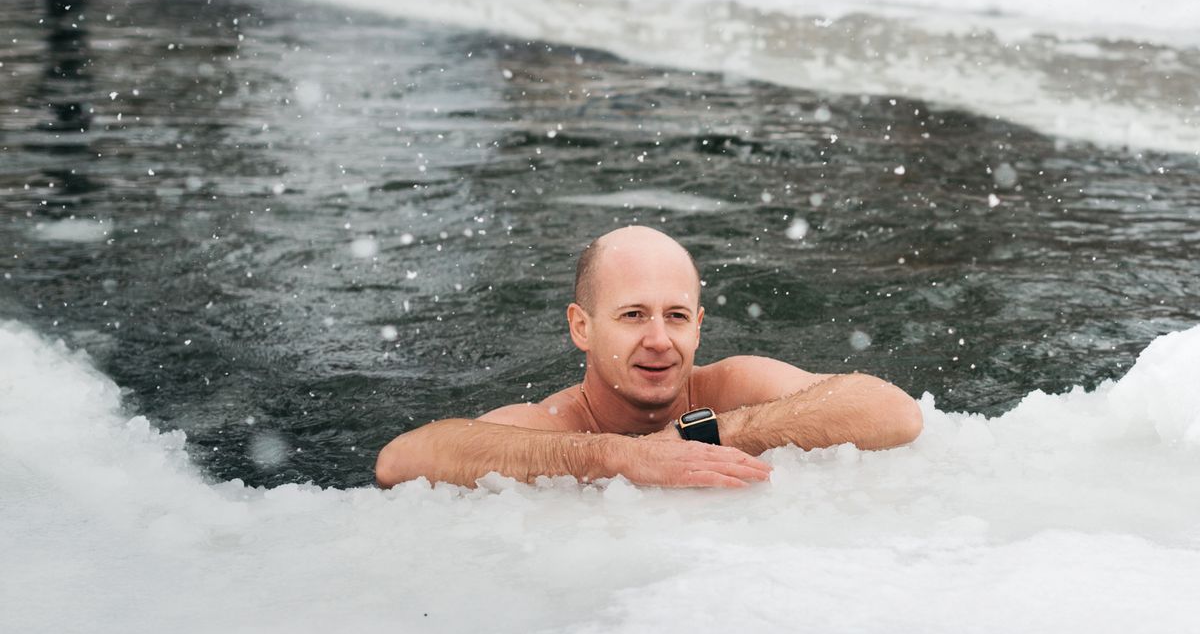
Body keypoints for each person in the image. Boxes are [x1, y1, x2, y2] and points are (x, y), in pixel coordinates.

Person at [376, 226, 922, 489]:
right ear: (582, 327)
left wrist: (703, 435)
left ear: (699, 328)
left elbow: (891, 409)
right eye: (634, 315)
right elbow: (398, 462)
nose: (660, 340)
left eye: (677, 317)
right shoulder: (553, 424)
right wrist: (614, 456)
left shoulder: (730, 387)